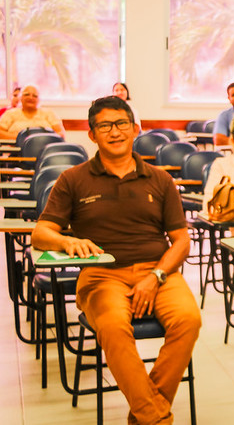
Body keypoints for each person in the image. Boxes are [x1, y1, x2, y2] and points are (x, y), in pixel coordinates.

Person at [31, 95, 201, 424]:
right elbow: (41, 233)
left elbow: (181, 240)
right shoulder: (73, 179)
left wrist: (156, 277)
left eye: (122, 123)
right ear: (91, 134)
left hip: (159, 273)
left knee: (188, 320)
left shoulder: (160, 179)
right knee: (112, 327)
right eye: (105, 125)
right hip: (101, 275)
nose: (115, 131)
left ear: (135, 129)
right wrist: (68, 240)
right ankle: (157, 418)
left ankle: (145, 415)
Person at [0, 84, 66, 139]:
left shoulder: (49, 113)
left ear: (39, 100)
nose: (30, 98)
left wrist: (40, 139)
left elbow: (61, 133)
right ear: (20, 98)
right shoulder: (10, 113)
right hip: (16, 149)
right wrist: (21, 138)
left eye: (35, 96)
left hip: (44, 148)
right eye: (26, 94)